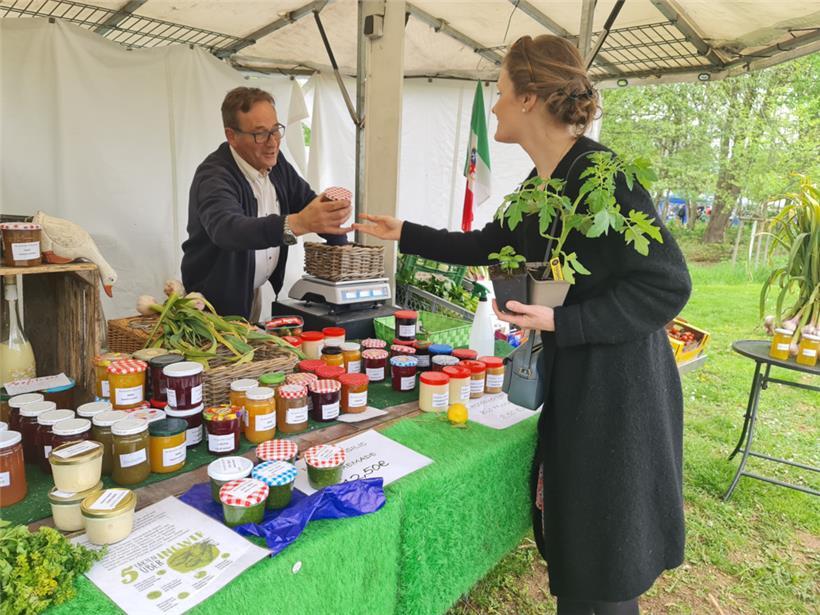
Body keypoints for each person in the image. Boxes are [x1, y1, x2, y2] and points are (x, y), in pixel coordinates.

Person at [355, 35, 692, 615]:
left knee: (604, 557)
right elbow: (490, 242)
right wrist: (404, 232)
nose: (496, 105)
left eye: (502, 91)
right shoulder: (543, 183)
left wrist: (565, 320)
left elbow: (666, 284)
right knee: (579, 546)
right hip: (579, 380)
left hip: (619, 393)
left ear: (531, 97)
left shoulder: (603, 177)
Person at [181, 87, 352, 320]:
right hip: (210, 305)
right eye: (260, 134)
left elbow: (307, 203)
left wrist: (341, 245)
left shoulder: (276, 164)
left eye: (276, 130)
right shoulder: (214, 176)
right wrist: (296, 223)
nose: (272, 143)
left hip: (250, 292)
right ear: (232, 136)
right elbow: (229, 230)